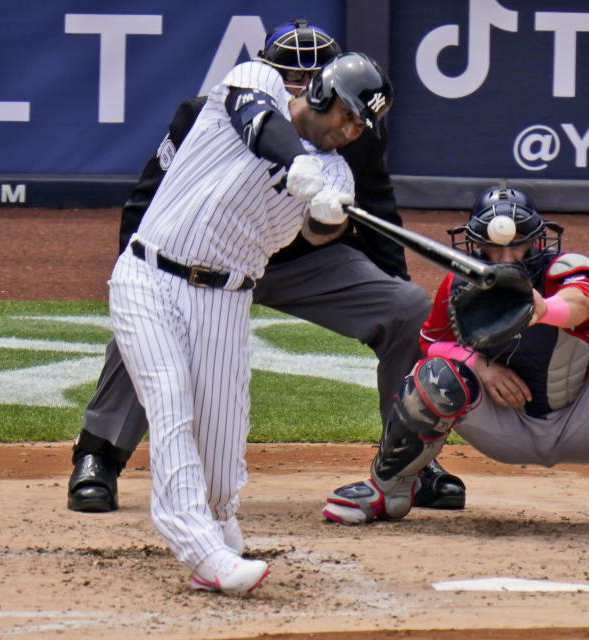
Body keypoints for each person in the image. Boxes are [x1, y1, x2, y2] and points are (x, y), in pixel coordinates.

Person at [68, 19, 465, 517]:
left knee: (408, 308)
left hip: (303, 263)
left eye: (311, 76)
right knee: (153, 315)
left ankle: (409, 464)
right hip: (202, 257)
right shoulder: (209, 109)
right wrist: (142, 284)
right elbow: (146, 203)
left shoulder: (354, 137)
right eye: (289, 75)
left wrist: (385, 274)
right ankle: (98, 456)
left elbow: (379, 218)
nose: (298, 87)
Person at [109, 50, 392, 594]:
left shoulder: (335, 171)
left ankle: (215, 519)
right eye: (349, 115)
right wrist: (296, 164)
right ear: (319, 93)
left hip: (226, 300)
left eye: (362, 124)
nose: (352, 130)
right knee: (170, 402)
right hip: (149, 276)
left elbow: (311, 236)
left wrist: (327, 214)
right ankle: (199, 548)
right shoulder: (253, 79)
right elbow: (256, 120)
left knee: (220, 440)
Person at [322, 185, 589, 534]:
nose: (504, 258)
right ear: (475, 244)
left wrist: (543, 308)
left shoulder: (568, 271)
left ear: (536, 240)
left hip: (584, 422)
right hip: (504, 427)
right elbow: (431, 342)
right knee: (434, 376)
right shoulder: (460, 285)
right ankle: (389, 489)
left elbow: (582, 303)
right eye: (492, 248)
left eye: (517, 246)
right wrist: (480, 366)